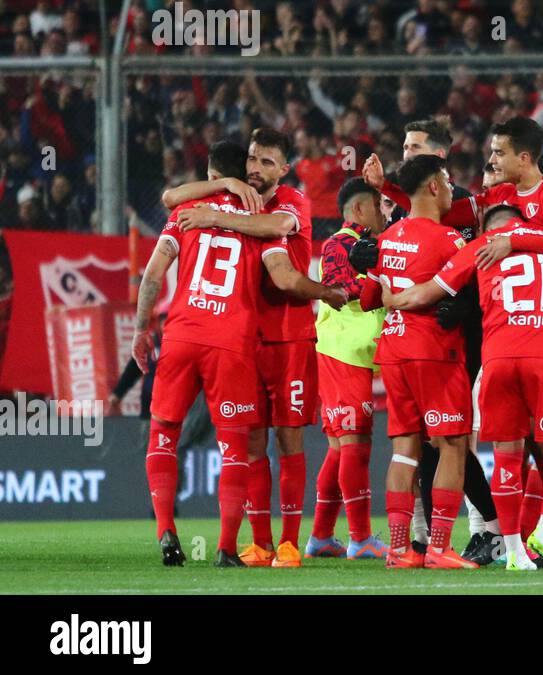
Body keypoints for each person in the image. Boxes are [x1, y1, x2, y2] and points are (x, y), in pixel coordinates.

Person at [133, 140, 344, 568]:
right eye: (251, 161)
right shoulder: (256, 221)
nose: (256, 169)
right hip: (234, 343)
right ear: (237, 172)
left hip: (186, 336)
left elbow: (154, 271)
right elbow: (283, 277)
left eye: (265, 161)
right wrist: (328, 293)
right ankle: (232, 546)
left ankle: (167, 531)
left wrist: (141, 330)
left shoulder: (188, 215)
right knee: (238, 447)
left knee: (167, 435)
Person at [383, 203, 543, 572]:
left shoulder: (478, 246)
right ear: (521, 222)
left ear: (484, 226)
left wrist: (393, 300)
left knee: (507, 453)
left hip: (497, 360)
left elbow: (431, 290)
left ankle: (513, 553)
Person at [359, 154, 477, 570]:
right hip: (434, 351)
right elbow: (470, 294)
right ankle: (440, 547)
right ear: (432, 186)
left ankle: (397, 549)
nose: (450, 188)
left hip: (393, 350)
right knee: (452, 445)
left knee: (405, 450)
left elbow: (368, 299)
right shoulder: (450, 241)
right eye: (446, 180)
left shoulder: (388, 237)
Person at [305, 177, 389, 561]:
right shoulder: (340, 243)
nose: (384, 212)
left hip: (349, 353)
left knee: (340, 447)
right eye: (378, 206)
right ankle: (360, 537)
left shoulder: (369, 245)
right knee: (354, 442)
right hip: (342, 352)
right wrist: (370, 278)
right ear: (358, 210)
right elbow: (337, 292)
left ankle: (322, 537)